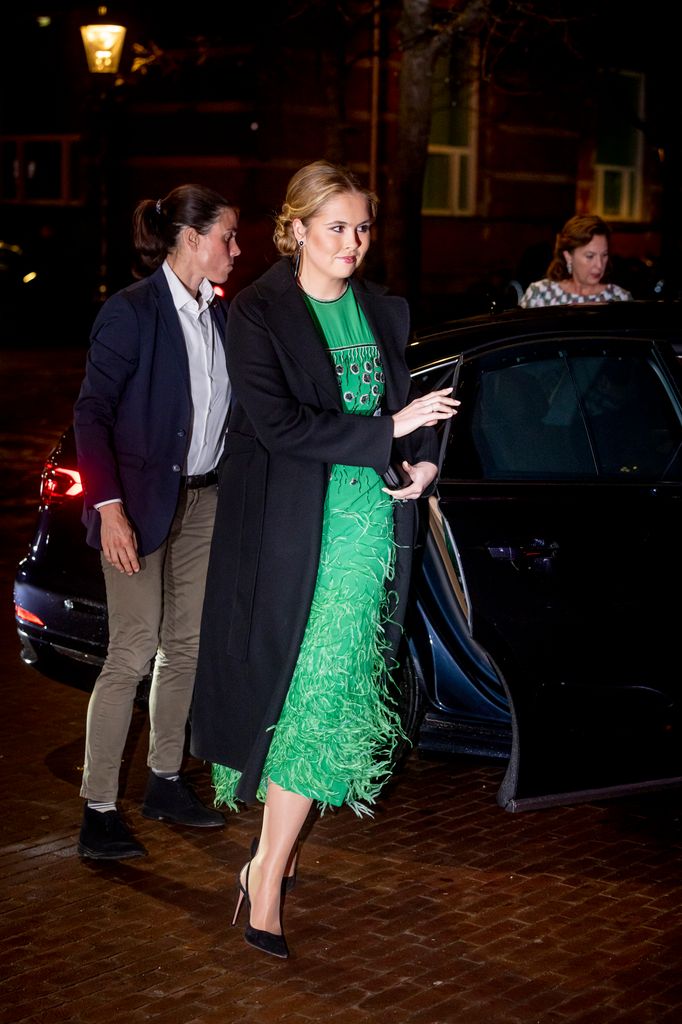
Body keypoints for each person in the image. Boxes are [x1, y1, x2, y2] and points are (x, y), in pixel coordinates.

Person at [190, 160, 459, 959]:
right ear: (297, 228)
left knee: (331, 692)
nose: (352, 243)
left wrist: (423, 459)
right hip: (289, 527)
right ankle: (267, 873)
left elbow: (409, 407)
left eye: (362, 228)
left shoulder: (382, 308)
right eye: (337, 227)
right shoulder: (258, 312)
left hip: (366, 525)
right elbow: (278, 425)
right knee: (302, 692)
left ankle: (270, 863)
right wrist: (388, 431)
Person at [73, 184, 241, 860]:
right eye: (227, 236)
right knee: (132, 650)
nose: (235, 249)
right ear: (192, 239)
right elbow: (91, 414)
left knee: (187, 645)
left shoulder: (220, 316)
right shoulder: (132, 311)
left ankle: (165, 780)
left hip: (203, 502)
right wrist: (108, 508)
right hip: (138, 508)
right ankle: (98, 808)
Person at [518, 214, 633, 307]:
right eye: (590, 256)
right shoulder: (540, 294)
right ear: (568, 256)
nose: (599, 265)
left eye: (604, 255)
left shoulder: (620, 299)